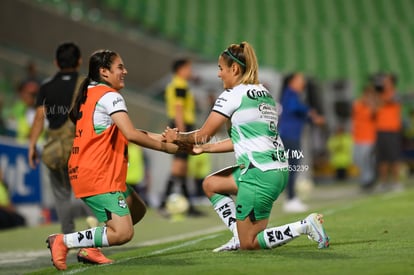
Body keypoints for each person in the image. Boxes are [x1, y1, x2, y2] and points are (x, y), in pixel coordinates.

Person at [164, 42, 329, 252]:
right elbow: (239, 140)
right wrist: (206, 149)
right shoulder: (264, 94)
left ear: (234, 69)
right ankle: (238, 234)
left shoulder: (232, 95)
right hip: (276, 170)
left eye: (221, 68)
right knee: (211, 184)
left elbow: (203, 135)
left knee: (249, 243)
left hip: (257, 174)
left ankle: (304, 226)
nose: (218, 74)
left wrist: (177, 137)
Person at [43, 49, 178, 270]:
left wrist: (166, 139)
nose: (125, 71)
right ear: (104, 72)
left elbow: (130, 130)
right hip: (97, 174)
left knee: (137, 209)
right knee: (124, 233)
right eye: (120, 67)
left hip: (93, 171)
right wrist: (166, 147)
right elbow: (132, 134)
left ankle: (91, 248)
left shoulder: (91, 93)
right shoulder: (110, 96)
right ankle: (62, 241)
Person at [28, 43, 109, 265]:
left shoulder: (46, 86)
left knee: (62, 195)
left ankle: (66, 239)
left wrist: (32, 145)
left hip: (54, 150)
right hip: (81, 148)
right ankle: (95, 232)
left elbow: (38, 118)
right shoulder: (87, 85)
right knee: (87, 191)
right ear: (80, 60)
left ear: (56, 62)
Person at [159, 58, 203, 217]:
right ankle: (163, 203)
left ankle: (188, 205)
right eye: (188, 68)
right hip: (181, 126)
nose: (190, 71)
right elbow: (178, 109)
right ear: (181, 69)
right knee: (178, 166)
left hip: (181, 125)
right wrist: (181, 133)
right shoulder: (179, 85)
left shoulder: (178, 84)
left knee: (182, 167)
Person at [278, 73, 324, 213]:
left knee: (292, 166)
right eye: (299, 79)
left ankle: (292, 197)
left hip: (292, 135)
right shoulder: (290, 94)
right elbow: (295, 108)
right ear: (292, 82)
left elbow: (299, 114)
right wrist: (310, 112)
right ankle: (290, 199)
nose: (302, 82)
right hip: (289, 136)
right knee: (292, 167)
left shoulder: (293, 95)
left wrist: (312, 118)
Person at [375, 74, 403, 191]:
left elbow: (390, 100)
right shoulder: (379, 95)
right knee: (382, 158)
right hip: (381, 130)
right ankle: (383, 182)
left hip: (392, 130)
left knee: (394, 157)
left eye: (386, 81)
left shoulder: (395, 94)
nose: (383, 82)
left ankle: (396, 182)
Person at [352, 85, 377, 188]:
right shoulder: (358, 104)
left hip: (369, 137)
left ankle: (368, 180)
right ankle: (366, 178)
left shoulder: (374, 106)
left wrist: (372, 103)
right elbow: (356, 109)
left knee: (367, 159)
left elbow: (374, 113)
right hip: (358, 137)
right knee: (357, 159)